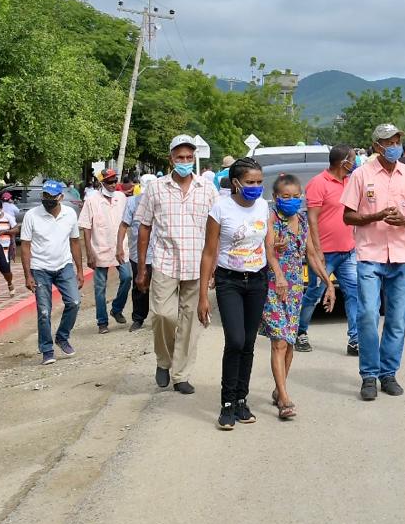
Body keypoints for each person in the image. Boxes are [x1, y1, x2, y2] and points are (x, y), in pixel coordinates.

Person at [340, 123, 405, 401]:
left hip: (401, 255)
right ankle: (369, 375)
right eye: (388, 142)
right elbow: (348, 216)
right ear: (377, 146)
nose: (394, 146)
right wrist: (375, 216)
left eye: (397, 141)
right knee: (367, 314)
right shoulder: (361, 175)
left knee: (396, 319)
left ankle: (388, 373)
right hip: (370, 254)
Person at [198, 157, 278, 430]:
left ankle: (242, 400)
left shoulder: (263, 207)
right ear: (235, 183)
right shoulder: (220, 209)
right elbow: (209, 252)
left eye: (259, 182)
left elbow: (268, 246)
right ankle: (227, 403)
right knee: (235, 340)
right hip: (229, 281)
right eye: (250, 182)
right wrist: (202, 297)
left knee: (248, 343)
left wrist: (277, 275)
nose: (256, 187)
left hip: (257, 281)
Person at [137, 135, 219, 394]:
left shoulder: (206, 189)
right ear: (170, 159)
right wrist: (141, 267)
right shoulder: (156, 188)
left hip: (198, 263)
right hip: (165, 261)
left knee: (190, 320)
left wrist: (216, 264)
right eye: (179, 157)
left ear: (193, 158)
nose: (184, 162)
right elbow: (144, 226)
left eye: (188, 157)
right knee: (163, 315)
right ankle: (164, 360)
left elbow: (217, 228)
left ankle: (181, 374)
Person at [262, 174, 332, 420]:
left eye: (295, 196)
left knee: (289, 343)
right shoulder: (271, 220)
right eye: (285, 197)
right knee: (279, 342)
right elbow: (270, 253)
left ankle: (278, 389)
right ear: (275, 198)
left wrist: (327, 283)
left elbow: (312, 255)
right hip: (274, 288)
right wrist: (279, 274)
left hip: (295, 292)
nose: (291, 201)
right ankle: (284, 398)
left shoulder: (302, 221)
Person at [303, 144, 362, 356]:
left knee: (354, 293)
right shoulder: (318, 183)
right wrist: (317, 250)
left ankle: (355, 339)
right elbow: (312, 218)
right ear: (342, 161)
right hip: (324, 253)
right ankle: (301, 332)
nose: (354, 163)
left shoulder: (350, 182)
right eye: (353, 158)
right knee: (314, 293)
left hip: (348, 251)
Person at [20, 180, 83, 366]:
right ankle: (47, 350)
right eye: (45, 196)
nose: (47, 200)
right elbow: (25, 246)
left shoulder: (70, 214)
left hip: (64, 266)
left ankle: (62, 337)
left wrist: (80, 270)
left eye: (52, 197)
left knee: (74, 302)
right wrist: (27, 275)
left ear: (60, 197)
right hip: (40, 269)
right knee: (44, 311)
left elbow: (75, 242)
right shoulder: (32, 216)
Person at [78, 169, 129, 334]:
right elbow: (86, 228)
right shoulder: (92, 200)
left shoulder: (121, 198)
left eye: (115, 181)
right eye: (109, 182)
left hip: (120, 247)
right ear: (102, 183)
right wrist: (89, 252)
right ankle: (102, 322)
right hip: (100, 248)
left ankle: (116, 308)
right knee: (100, 287)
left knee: (127, 277)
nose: (113, 184)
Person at [117, 175, 154, 332]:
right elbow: (124, 225)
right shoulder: (132, 202)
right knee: (140, 286)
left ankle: (162, 318)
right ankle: (138, 318)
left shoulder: (163, 202)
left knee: (161, 287)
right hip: (137, 253)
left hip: (160, 253)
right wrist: (119, 247)